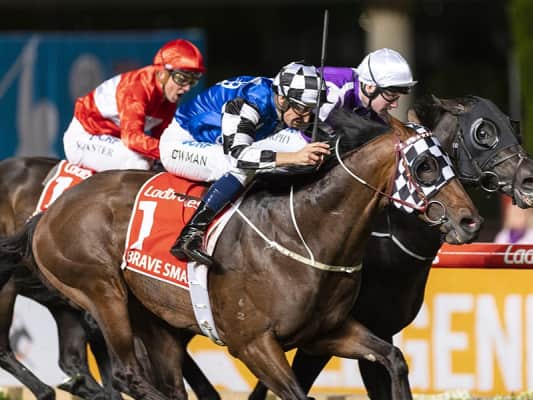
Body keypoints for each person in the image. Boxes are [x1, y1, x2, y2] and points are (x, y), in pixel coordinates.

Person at [162, 61, 331, 265]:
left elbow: (327, 134)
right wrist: (295, 157)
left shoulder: (284, 97)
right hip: (180, 143)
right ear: (282, 99)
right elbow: (239, 155)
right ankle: (189, 235)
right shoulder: (247, 103)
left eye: (312, 110)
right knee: (242, 167)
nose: (306, 118)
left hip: (213, 142)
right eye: (302, 109)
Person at [63, 38, 206, 172]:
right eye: (182, 78)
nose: (187, 88)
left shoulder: (168, 97)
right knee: (139, 163)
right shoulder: (136, 87)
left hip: (114, 141)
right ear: (162, 73)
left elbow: (162, 139)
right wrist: (176, 153)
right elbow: (132, 139)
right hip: (84, 138)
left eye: (193, 81)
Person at [320, 47, 417, 125]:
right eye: (391, 96)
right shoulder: (335, 91)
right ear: (369, 87)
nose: (395, 105)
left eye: (397, 98)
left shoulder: (368, 103)